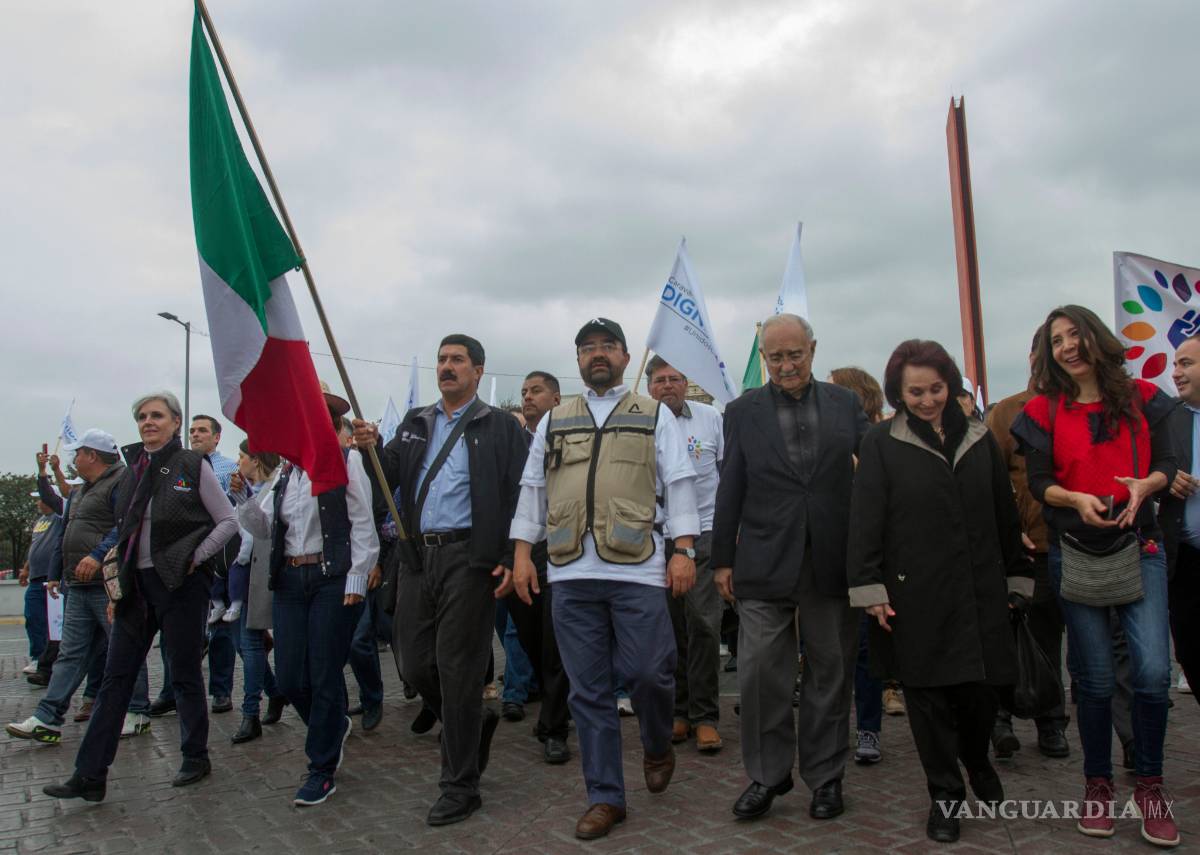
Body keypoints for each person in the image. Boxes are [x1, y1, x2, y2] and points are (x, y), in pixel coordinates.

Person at [511, 318, 699, 840]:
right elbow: (533, 488)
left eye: (607, 347)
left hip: (638, 568)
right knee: (588, 692)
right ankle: (605, 797)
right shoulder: (555, 419)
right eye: (588, 348)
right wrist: (524, 554)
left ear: (623, 356)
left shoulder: (653, 413)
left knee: (649, 674)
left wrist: (683, 550)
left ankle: (658, 742)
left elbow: (680, 484)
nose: (598, 355)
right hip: (570, 572)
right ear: (577, 360)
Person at [848, 340, 1032, 843]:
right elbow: (865, 522)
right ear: (898, 393)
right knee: (927, 702)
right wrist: (870, 588)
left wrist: (1017, 576)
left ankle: (975, 757)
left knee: (978, 696)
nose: (927, 399)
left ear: (949, 385)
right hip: (914, 595)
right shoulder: (882, 442)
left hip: (977, 590)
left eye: (935, 388)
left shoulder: (979, 437)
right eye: (915, 391)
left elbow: (1004, 513)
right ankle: (945, 796)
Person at [1011, 305, 1179, 847]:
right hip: (1075, 550)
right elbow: (1038, 482)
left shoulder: (1146, 399)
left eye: (1074, 334)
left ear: (1095, 337)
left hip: (1141, 546)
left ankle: (1150, 787)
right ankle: (1098, 786)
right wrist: (1074, 498)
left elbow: (1171, 465)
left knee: (1153, 673)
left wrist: (1145, 486)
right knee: (1096, 679)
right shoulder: (1042, 411)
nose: (1067, 346)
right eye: (1057, 340)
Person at [352, 334, 526, 826]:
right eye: (442, 360)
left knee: (457, 668)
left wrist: (515, 555)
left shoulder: (498, 426)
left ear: (477, 369)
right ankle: (473, 720)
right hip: (415, 558)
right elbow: (387, 477)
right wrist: (370, 449)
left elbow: (521, 493)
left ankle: (460, 785)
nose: (447, 367)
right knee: (412, 662)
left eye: (457, 361)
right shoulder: (415, 423)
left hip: (471, 558)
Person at [43, 392, 238, 802]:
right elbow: (125, 533)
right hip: (137, 587)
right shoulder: (133, 470)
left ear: (175, 422)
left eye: (157, 416)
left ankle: (195, 755)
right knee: (116, 677)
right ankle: (90, 775)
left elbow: (228, 521)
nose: (148, 422)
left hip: (182, 586)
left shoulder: (191, 464)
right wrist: (117, 591)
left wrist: (194, 559)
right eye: (143, 417)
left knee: (183, 672)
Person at [712, 314, 868, 822]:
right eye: (774, 357)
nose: (785, 365)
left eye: (794, 354)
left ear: (813, 350)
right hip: (762, 560)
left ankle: (826, 778)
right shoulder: (741, 411)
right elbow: (730, 486)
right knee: (759, 675)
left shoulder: (846, 403)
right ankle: (767, 775)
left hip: (831, 560)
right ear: (763, 357)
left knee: (830, 672)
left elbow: (875, 465)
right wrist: (722, 560)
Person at [234, 384, 378, 806]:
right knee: (292, 676)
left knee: (324, 671)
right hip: (291, 582)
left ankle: (321, 767)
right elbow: (263, 530)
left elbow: (363, 523)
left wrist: (357, 577)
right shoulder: (284, 474)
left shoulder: (344, 459)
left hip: (332, 578)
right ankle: (331, 725)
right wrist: (246, 495)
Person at [7, 430, 154, 746]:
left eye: (79, 454)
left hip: (107, 585)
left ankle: (137, 711)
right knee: (69, 654)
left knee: (124, 649)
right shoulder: (80, 490)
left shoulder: (121, 482)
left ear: (93, 455)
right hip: (78, 585)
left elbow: (126, 526)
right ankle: (48, 719)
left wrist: (98, 555)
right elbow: (67, 531)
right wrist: (59, 572)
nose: (74, 460)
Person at [985, 332, 1071, 760]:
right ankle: (1000, 719)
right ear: (1034, 357)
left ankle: (1052, 720)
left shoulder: (1081, 409)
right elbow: (991, 482)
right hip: (1025, 546)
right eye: (1047, 349)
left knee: (1048, 638)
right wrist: (1006, 533)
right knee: (1010, 634)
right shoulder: (1006, 412)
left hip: (1073, 544)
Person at [645, 356, 725, 754]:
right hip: (656, 539)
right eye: (659, 380)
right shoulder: (638, 421)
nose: (667, 386)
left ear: (686, 382)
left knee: (704, 625)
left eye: (674, 378)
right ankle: (679, 712)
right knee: (669, 632)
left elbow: (728, 476)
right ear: (648, 386)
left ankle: (706, 716)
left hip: (705, 534)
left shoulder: (711, 419)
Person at [504, 370, 571, 763]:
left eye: (537, 390)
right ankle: (552, 705)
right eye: (525, 391)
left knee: (555, 645)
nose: (528, 397)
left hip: (557, 550)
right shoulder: (508, 438)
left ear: (557, 399)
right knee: (528, 638)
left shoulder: (565, 434)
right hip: (516, 551)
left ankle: (554, 725)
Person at [828, 365, 893, 765]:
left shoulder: (879, 439)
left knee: (867, 649)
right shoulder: (826, 437)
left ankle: (869, 728)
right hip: (830, 557)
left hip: (869, 558)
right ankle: (832, 729)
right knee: (831, 650)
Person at [227, 440, 288, 745]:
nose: (238, 462)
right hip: (243, 575)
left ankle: (251, 712)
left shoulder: (277, 484)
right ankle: (275, 692)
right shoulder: (256, 488)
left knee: (250, 643)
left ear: (255, 459)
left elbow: (260, 531)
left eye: (241, 456)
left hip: (261, 573)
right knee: (242, 643)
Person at [1158, 333, 1200, 704]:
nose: (1176, 372)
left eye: (1186, 363)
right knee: (1188, 651)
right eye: (1175, 364)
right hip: (1184, 561)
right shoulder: (1167, 418)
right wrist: (1165, 479)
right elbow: (1146, 472)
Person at [338, 418, 386, 733]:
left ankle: (373, 698)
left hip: (360, 563)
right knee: (335, 646)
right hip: (329, 569)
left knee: (359, 639)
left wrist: (374, 562)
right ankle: (338, 710)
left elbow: (371, 515)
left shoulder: (356, 462)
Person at [19, 456, 64, 674]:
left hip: (51, 578)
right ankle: (38, 656)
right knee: (33, 619)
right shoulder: (40, 521)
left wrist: (47, 470)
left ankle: (47, 661)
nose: (39, 502)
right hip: (35, 578)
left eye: (41, 497)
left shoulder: (57, 517)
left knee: (51, 624)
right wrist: (26, 568)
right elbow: (35, 546)